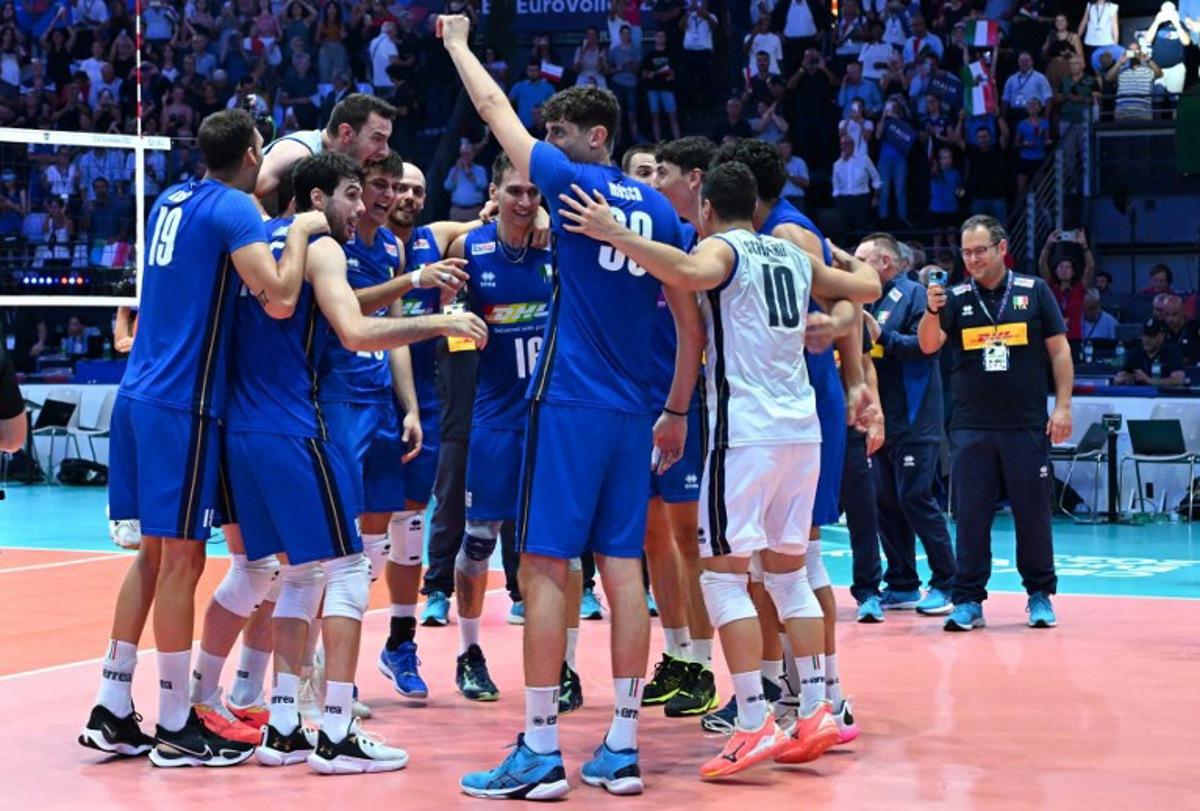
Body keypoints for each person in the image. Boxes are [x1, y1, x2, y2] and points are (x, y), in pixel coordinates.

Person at [439, 14, 702, 798]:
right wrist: (677, 409)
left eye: (558, 131)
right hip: (635, 411)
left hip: (570, 404)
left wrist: (456, 45)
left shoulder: (572, 180)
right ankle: (621, 744)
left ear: (595, 135)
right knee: (623, 567)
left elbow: (494, 113)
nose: (543, 143)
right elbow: (688, 318)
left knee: (544, 562)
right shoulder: (660, 213)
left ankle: (542, 749)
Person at [557, 159, 881, 778]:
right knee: (789, 575)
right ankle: (815, 708)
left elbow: (683, 269)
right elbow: (866, 287)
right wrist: (841, 255)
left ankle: (755, 721)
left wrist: (613, 231)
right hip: (802, 433)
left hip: (748, 434)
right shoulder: (791, 255)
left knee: (724, 577)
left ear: (707, 208)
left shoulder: (725, 250)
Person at [79, 109, 327, 765]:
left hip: (136, 393)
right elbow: (277, 296)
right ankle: (175, 722)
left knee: (154, 557)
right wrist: (301, 229)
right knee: (184, 560)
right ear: (252, 153)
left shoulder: (171, 197)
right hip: (181, 404)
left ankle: (111, 705)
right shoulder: (236, 208)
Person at [229, 151, 485, 772]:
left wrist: (412, 284)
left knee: (295, 574)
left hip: (244, 427)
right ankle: (335, 730)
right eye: (355, 191)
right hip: (304, 423)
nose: (367, 204)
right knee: (345, 570)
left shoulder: (255, 242)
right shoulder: (320, 248)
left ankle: (283, 720)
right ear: (320, 198)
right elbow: (353, 330)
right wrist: (438, 320)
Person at [919, 215, 1073, 632]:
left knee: (1033, 514)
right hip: (970, 427)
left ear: (1002, 249)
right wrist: (931, 310)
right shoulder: (952, 298)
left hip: (1025, 425)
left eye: (980, 251)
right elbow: (928, 345)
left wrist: (1062, 407)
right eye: (966, 252)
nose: (972, 259)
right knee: (969, 516)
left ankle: (1039, 594)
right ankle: (968, 599)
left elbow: (1059, 353)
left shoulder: (1034, 291)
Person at [446, 151, 552, 701]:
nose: (526, 201)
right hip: (494, 419)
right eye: (515, 191)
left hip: (552, 420)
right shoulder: (473, 247)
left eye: (534, 193)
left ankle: (563, 666)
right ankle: (468, 654)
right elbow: (446, 310)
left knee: (552, 550)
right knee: (481, 541)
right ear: (494, 192)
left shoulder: (557, 244)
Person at [637, 137, 717, 719]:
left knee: (693, 538)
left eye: (654, 172)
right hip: (633, 406)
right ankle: (677, 653)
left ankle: (706, 665)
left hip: (686, 401)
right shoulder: (616, 250)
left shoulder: (695, 246)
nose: (648, 181)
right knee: (649, 538)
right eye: (639, 174)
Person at [855, 232, 956, 616]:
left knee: (915, 498)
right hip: (880, 419)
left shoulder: (914, 295)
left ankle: (947, 582)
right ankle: (902, 583)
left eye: (861, 259)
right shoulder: (865, 298)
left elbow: (925, 349)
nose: (854, 265)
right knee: (885, 501)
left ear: (885, 262)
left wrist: (884, 336)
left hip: (916, 418)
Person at [255, 93, 397, 207]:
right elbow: (242, 192)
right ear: (346, 133)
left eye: (387, 140)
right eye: (377, 138)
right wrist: (273, 232)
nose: (385, 151)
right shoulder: (298, 152)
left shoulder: (348, 164)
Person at [1038, 229, 1095, 340]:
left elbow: (1090, 266)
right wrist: (1048, 244)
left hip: (1073, 338)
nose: (1064, 270)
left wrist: (1084, 246)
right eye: (1061, 267)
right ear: (1055, 270)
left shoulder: (1079, 288)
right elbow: (1042, 263)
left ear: (1073, 272)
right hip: (1053, 338)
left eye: (1068, 267)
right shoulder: (1051, 286)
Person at [1115, 319, 1187, 386]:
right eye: (1145, 335)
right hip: (1140, 396)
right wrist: (1123, 378)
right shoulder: (1137, 352)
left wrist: (1149, 380)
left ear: (1161, 336)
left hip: (1164, 396)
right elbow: (1120, 376)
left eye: (1152, 336)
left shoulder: (1171, 351)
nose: (1147, 340)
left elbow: (1178, 380)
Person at [1158, 294, 1200, 364]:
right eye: (1167, 314)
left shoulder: (1195, 328)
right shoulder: (1160, 329)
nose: (1170, 319)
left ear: (1183, 312)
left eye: (1174, 314)